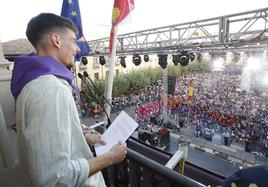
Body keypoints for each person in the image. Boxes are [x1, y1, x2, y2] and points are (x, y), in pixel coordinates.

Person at [10, 13, 127, 187]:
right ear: (56, 40)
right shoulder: (51, 90)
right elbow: (54, 178)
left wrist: (81, 136)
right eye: (73, 41)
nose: (77, 49)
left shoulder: (34, 82)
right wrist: (109, 158)